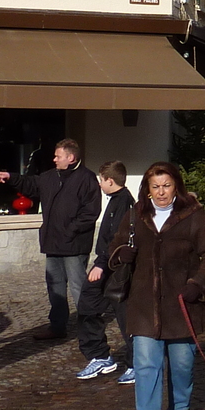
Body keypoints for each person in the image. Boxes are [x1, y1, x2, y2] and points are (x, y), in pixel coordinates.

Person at [106, 161, 205, 410]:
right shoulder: (134, 215)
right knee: (146, 365)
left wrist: (198, 283)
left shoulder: (193, 216)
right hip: (144, 305)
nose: (161, 193)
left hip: (182, 304)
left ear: (176, 186)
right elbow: (114, 249)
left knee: (182, 364)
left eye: (166, 186)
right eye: (155, 187)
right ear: (147, 189)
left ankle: (181, 408)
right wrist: (122, 254)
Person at [0, 138, 100, 342]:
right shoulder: (51, 177)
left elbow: (91, 212)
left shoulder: (87, 179)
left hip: (74, 244)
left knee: (78, 287)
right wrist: (11, 177)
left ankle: (88, 328)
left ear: (70, 158)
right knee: (55, 287)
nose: (54, 159)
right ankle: (57, 326)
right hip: (53, 242)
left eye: (58, 156)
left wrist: (70, 230)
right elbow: (32, 184)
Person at [75, 161, 135, 382]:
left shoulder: (125, 204)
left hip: (115, 268)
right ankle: (100, 356)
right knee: (87, 306)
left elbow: (117, 239)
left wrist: (101, 263)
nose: (99, 184)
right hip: (105, 264)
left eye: (101, 180)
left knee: (125, 316)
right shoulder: (115, 202)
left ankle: (137, 363)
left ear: (110, 180)